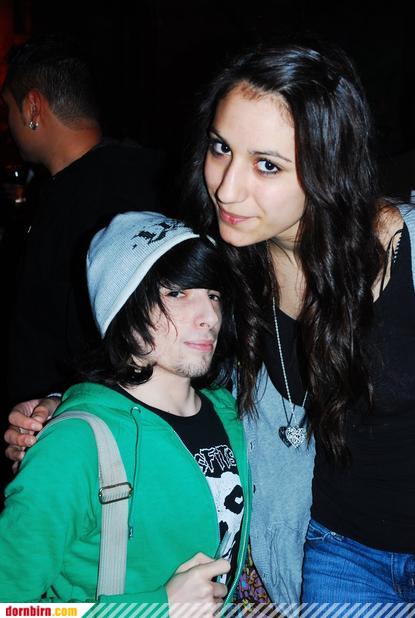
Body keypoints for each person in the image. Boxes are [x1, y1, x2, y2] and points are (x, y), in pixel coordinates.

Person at [8, 39, 415, 607]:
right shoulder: (229, 264)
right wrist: (76, 409)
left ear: (330, 165)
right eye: (221, 148)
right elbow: (173, 362)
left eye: (267, 164)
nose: (227, 186)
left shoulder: (404, 252)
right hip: (339, 549)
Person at [0, 210, 251, 608]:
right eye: (177, 293)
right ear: (124, 307)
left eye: (214, 295)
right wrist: (158, 607)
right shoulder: (73, 446)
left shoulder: (230, 411)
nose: (209, 317)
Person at [0, 33, 163, 409]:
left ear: (32, 108)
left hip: (75, 420)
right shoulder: (137, 175)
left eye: (8, 108)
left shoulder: (87, 202)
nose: (7, 122)